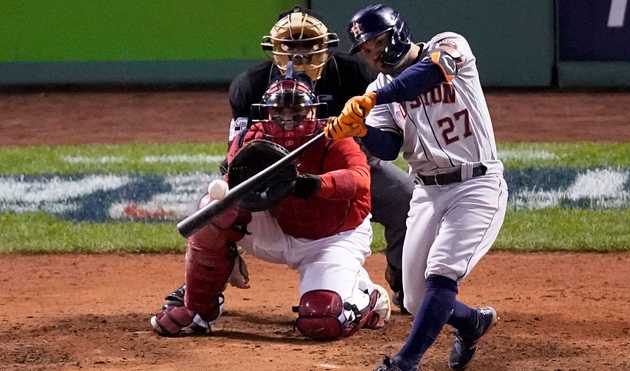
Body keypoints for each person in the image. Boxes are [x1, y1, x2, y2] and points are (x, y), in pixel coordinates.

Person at [162, 6, 414, 312]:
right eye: (290, 47)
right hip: (272, 172)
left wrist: (335, 168)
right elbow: (239, 155)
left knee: (405, 199)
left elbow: (376, 136)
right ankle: (204, 283)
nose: (299, 55)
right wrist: (231, 233)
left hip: (345, 160)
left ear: (326, 47)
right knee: (216, 208)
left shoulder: (356, 74)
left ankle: (405, 284)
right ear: (274, 49)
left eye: (308, 45)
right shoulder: (250, 84)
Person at [324, 4, 508, 370]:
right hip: (426, 192)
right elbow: (389, 147)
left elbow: (431, 72)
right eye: (366, 51)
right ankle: (472, 323)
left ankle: (405, 362)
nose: (373, 55)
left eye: (376, 43)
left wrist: (375, 99)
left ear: (397, 34)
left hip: (475, 184)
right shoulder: (378, 88)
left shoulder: (448, 45)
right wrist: (360, 131)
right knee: (414, 297)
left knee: (441, 275)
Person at [150, 69, 391, 339]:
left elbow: (359, 179)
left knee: (321, 320)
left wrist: (314, 184)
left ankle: (367, 297)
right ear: (266, 112)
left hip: (332, 238)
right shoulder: (253, 137)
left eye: (296, 113)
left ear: (313, 111)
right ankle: (198, 310)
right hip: (277, 226)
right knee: (213, 210)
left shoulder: (333, 133)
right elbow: (233, 185)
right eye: (279, 114)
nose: (287, 122)